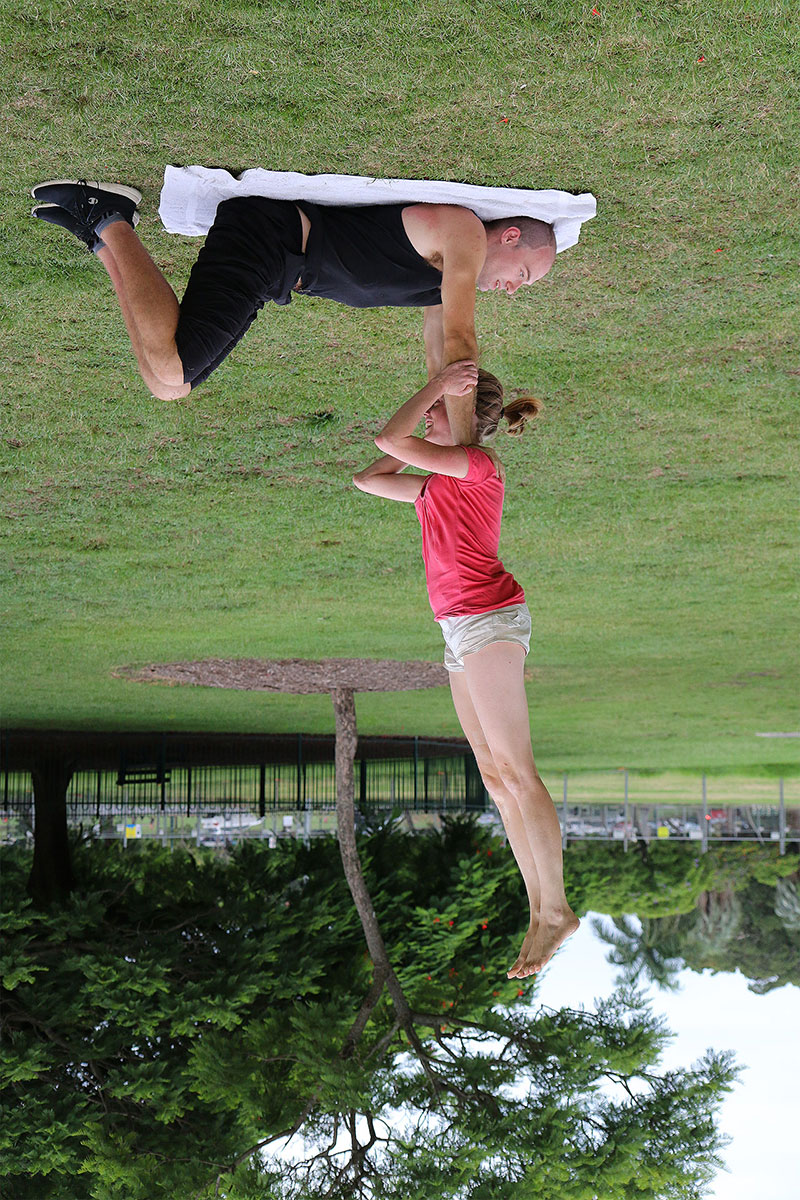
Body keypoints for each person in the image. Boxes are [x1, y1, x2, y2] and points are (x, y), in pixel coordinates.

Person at [352, 360, 578, 978]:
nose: (426, 415)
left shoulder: (479, 468)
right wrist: (438, 398)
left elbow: (391, 443)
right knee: (493, 773)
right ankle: (540, 910)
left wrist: (434, 389)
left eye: (436, 410)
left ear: (458, 415)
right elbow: (370, 476)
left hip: (489, 621)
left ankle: (555, 906)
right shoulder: (432, 486)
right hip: (460, 629)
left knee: (516, 768)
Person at [31, 178, 556, 442]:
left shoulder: (439, 285)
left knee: (169, 385)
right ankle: (109, 214)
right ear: (509, 237)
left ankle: (99, 237)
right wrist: (465, 452)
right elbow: (463, 343)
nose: (513, 289)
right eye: (523, 275)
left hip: (276, 275)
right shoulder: (464, 236)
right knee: (170, 367)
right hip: (268, 240)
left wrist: (453, 434)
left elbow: (442, 362)